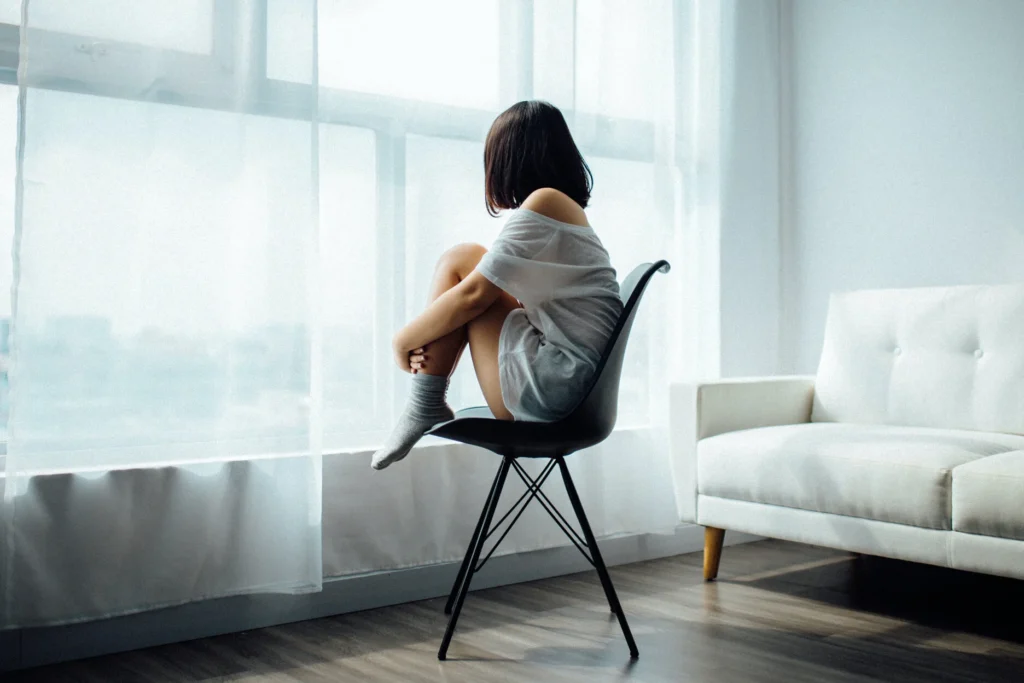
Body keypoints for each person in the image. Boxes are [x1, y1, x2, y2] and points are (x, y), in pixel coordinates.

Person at [371, 100, 622, 470]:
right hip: (572, 389)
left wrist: (402, 341)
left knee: (461, 262)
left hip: (555, 392)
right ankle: (425, 403)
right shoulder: (562, 209)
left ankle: (424, 403)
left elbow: (474, 296)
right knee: (468, 260)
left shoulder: (546, 202)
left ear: (509, 159)